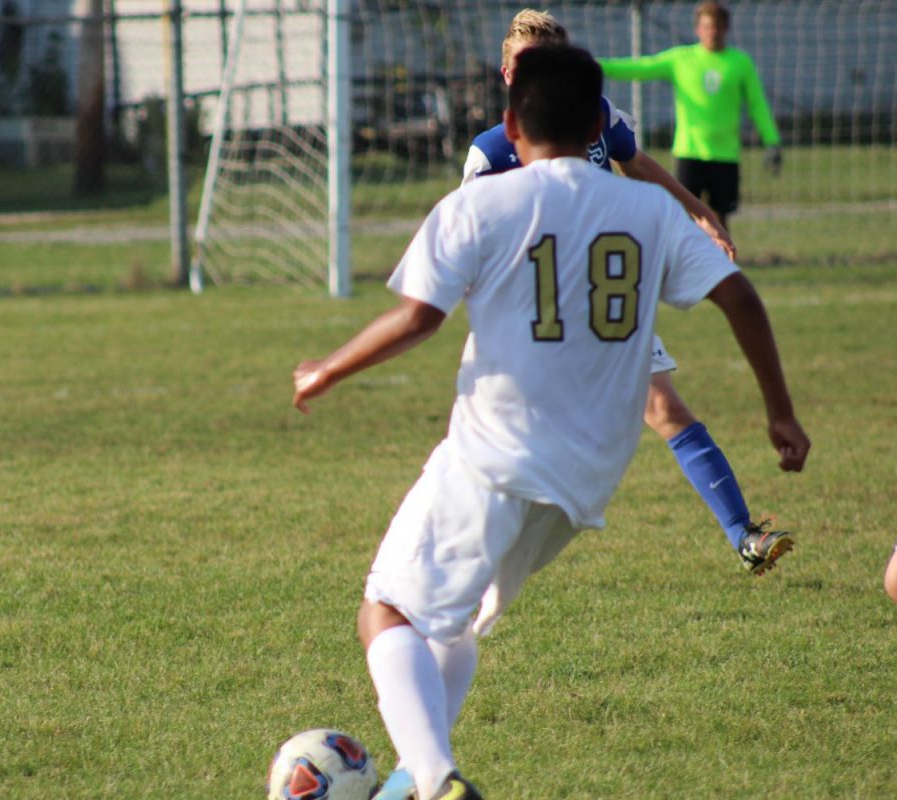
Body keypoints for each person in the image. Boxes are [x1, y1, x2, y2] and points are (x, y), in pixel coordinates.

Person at [292, 45, 809, 800]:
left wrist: (328, 368)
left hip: (495, 454)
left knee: (387, 610)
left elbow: (418, 318)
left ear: (510, 124)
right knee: (455, 622)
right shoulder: (647, 211)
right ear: (600, 121)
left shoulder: (482, 203)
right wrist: (780, 412)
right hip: (589, 474)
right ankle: (412, 781)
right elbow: (741, 298)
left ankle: (434, 778)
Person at [462, 9, 791, 583]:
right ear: (507, 75)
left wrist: (701, 211)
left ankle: (744, 534)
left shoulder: (596, 122)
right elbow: (467, 246)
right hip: (529, 325)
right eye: (525, 66)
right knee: (501, 447)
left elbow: (635, 163)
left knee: (666, 408)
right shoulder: (491, 154)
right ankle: (463, 555)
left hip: (605, 308)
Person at [598, 1, 783, 231]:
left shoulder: (740, 63)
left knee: (719, 218)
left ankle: (722, 262)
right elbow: (639, 67)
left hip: (725, 153)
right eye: (707, 26)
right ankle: (682, 263)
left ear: (726, 29)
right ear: (697, 29)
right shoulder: (681, 59)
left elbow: (757, 105)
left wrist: (772, 140)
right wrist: (593, 65)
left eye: (717, 27)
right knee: (683, 215)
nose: (712, 32)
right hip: (689, 150)